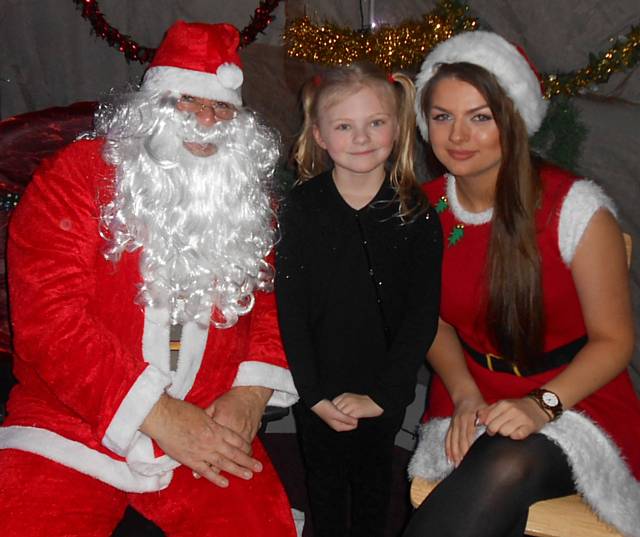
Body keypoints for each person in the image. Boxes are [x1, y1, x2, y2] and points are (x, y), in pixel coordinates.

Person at [0, 21, 301, 537]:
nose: (207, 120)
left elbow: (272, 301)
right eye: (189, 100)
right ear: (153, 104)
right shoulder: (77, 176)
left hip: (210, 424)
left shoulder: (246, 199)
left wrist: (251, 393)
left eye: (222, 107)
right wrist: (158, 414)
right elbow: (50, 321)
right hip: (73, 422)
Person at [404, 30, 640, 537]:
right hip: (471, 390)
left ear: (513, 120)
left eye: (480, 117)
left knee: (503, 466)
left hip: (574, 396)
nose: (458, 136)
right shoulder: (425, 211)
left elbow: (615, 341)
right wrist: (464, 392)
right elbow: (431, 320)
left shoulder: (575, 210)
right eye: (443, 116)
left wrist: (541, 405)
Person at [275, 62, 442, 537]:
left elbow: (419, 318)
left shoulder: (415, 214)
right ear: (321, 135)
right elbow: (292, 310)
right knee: (323, 486)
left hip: (381, 391)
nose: (362, 137)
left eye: (375, 123)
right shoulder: (303, 209)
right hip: (318, 389)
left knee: (373, 487)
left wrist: (385, 396)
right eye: (345, 126)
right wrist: (313, 394)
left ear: (397, 126)